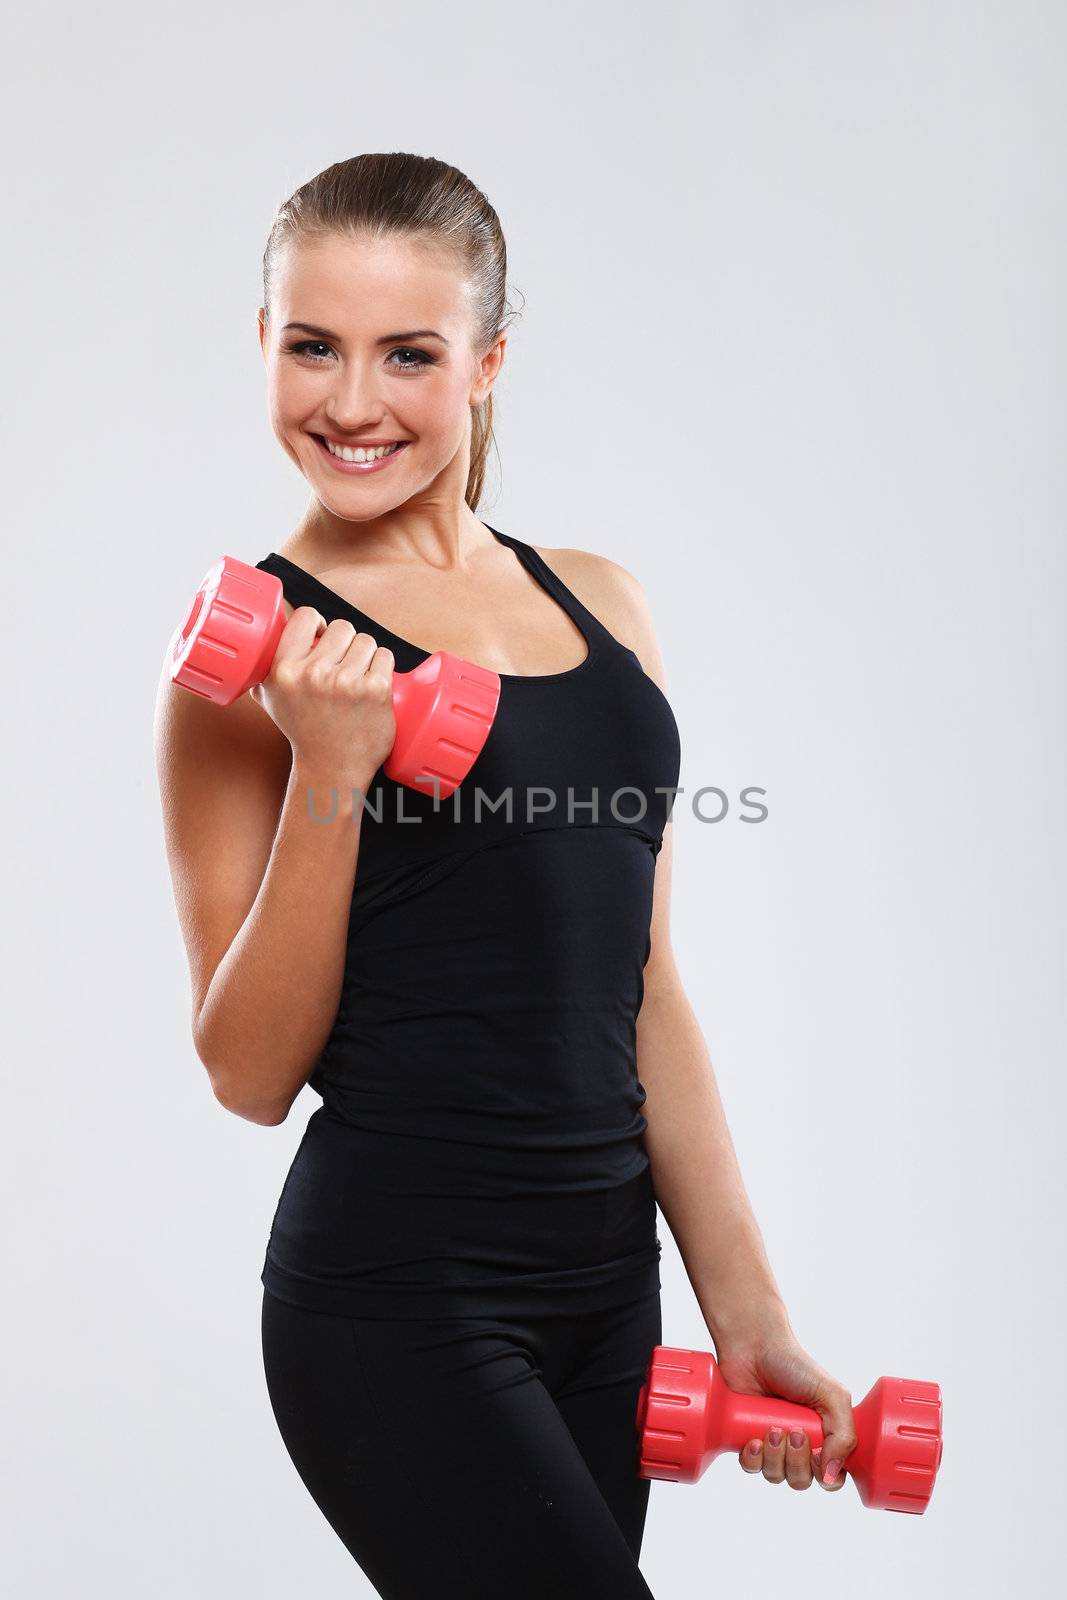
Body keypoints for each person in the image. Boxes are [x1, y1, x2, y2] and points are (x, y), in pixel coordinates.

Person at [154, 153, 856, 1600]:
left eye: (407, 352)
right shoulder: (255, 661)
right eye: (312, 346)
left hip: (609, 1287)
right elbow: (246, 1071)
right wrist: (334, 774)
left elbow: (643, 981)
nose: (352, 403)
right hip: (397, 1292)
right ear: (264, 346)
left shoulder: (602, 601)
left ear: (487, 362)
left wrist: (748, 1308)